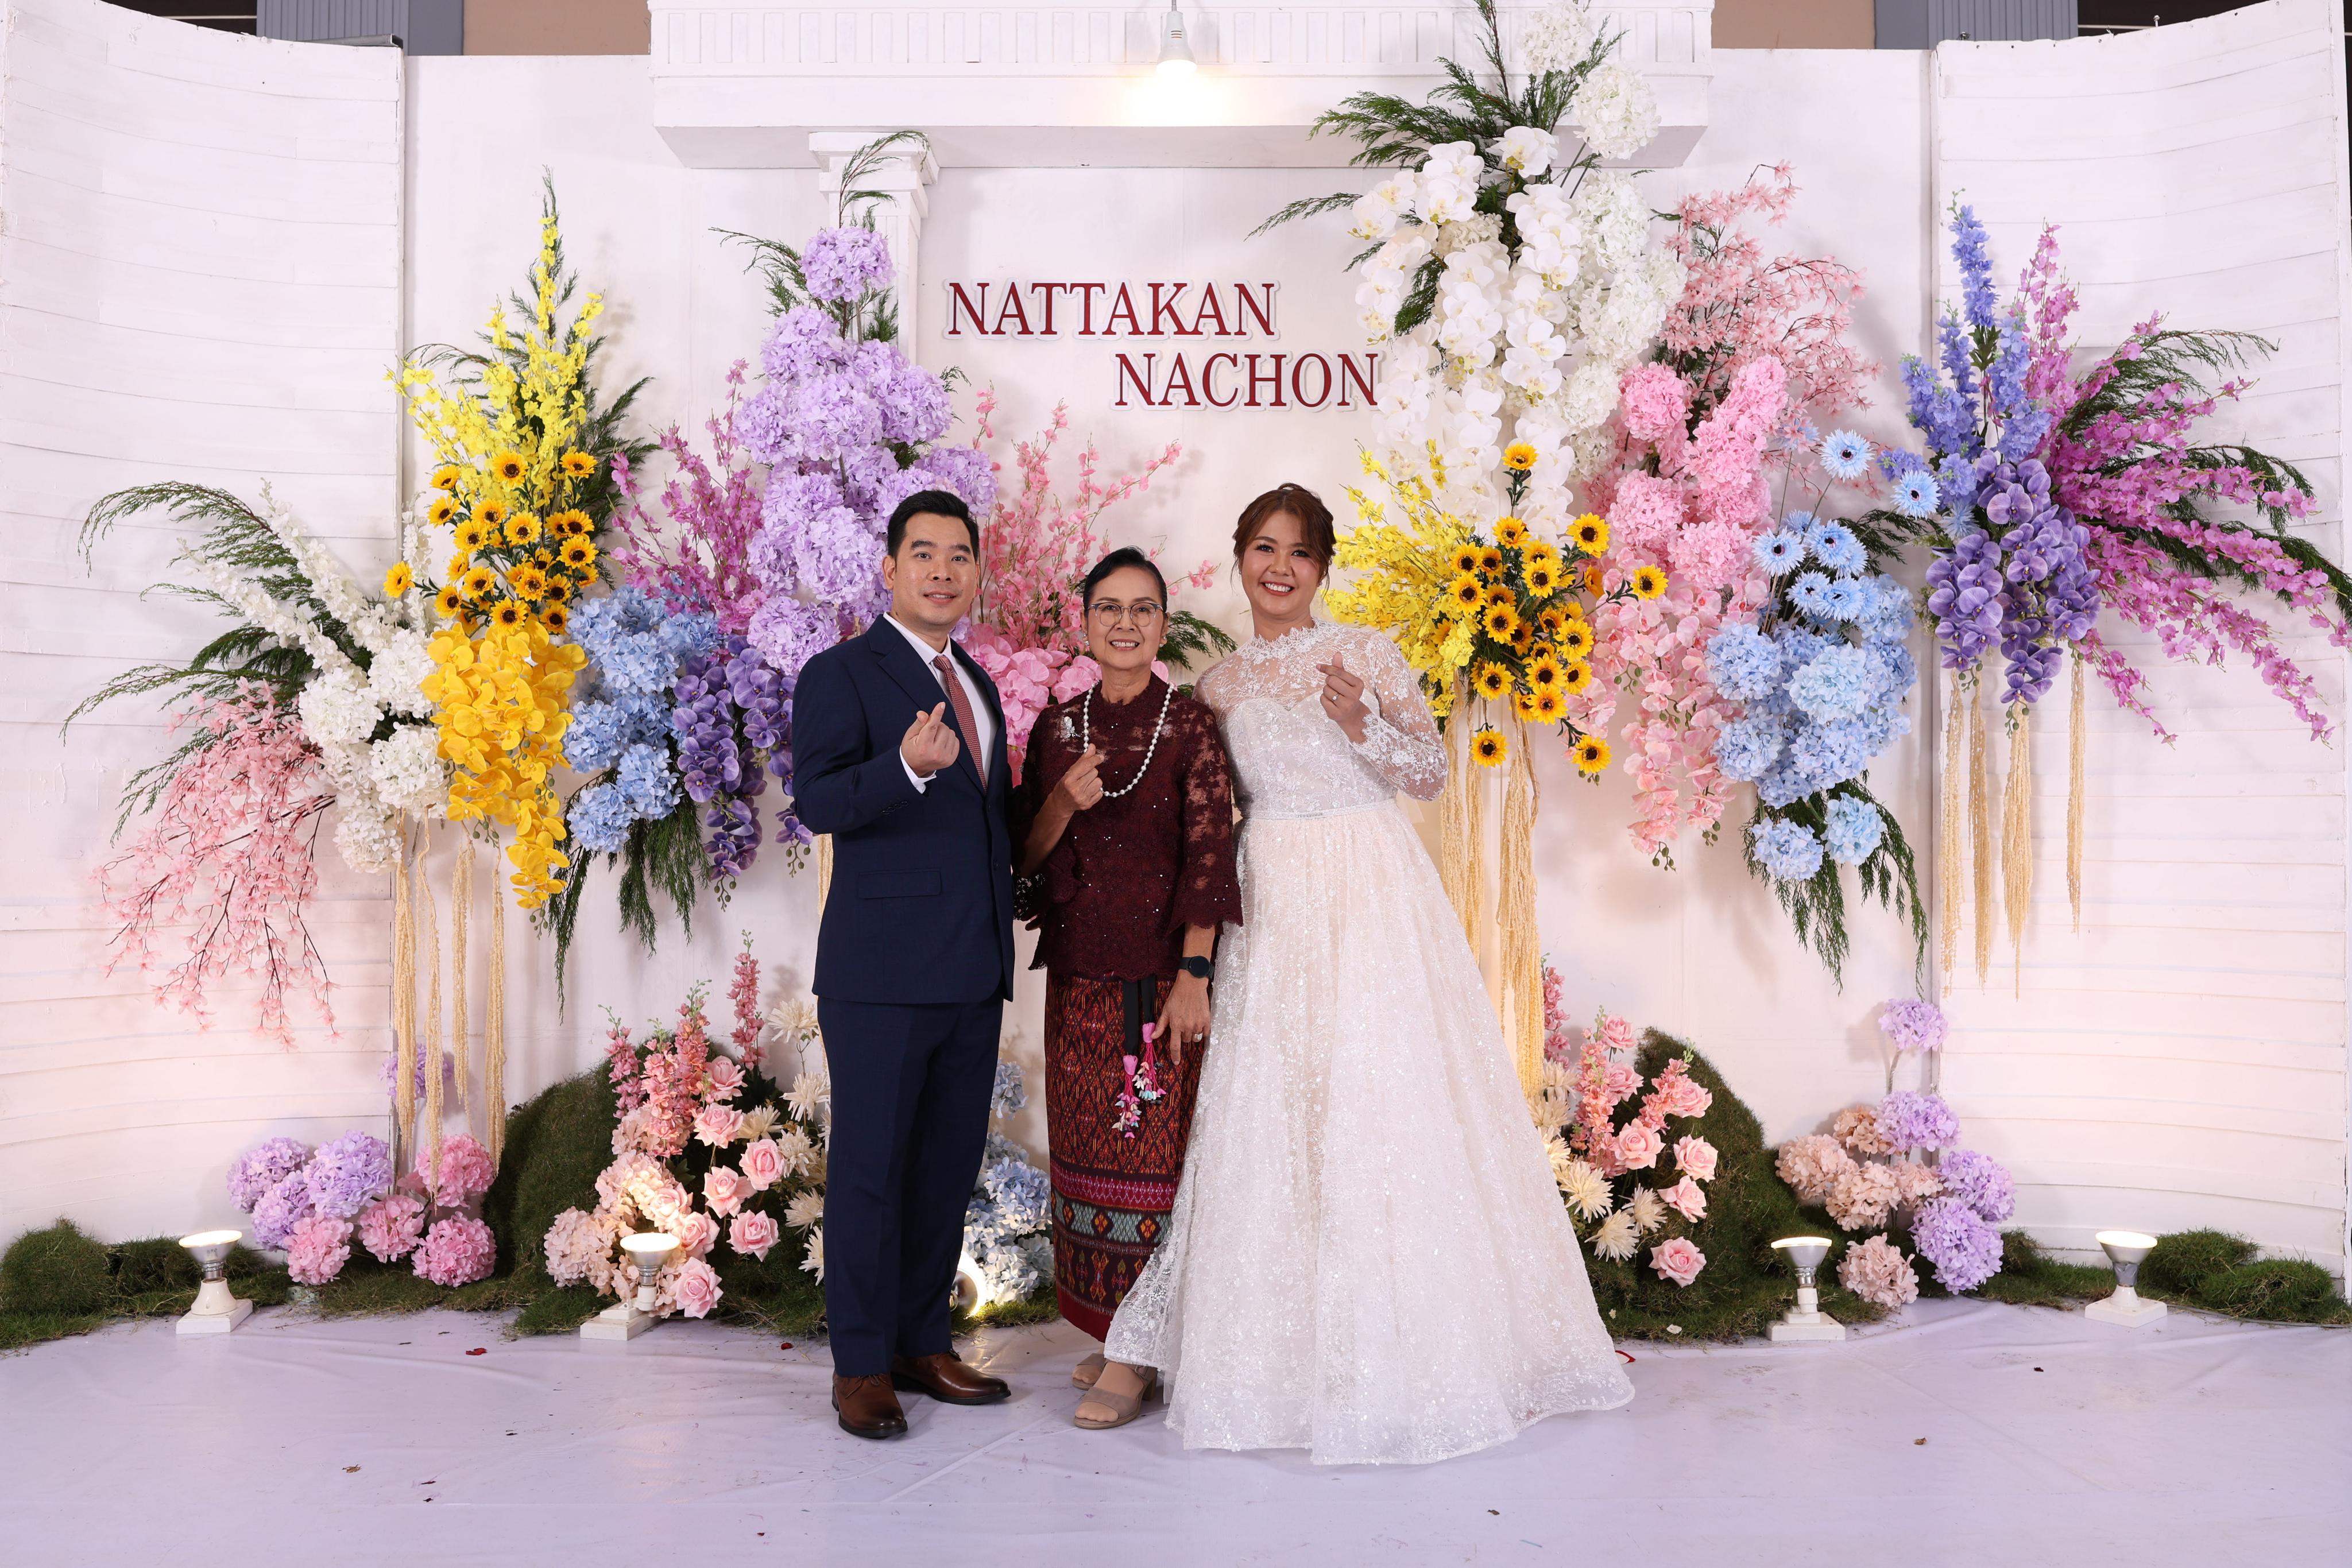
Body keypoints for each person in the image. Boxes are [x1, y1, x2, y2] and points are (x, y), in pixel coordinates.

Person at [1099, 483, 1634, 1464]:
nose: (1280, 569)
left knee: (1384, 1098)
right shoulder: (1219, 686)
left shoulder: (1368, 653)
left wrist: (1360, 725)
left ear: (1322, 568)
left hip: (1372, 887)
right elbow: (1206, 812)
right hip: (1274, 894)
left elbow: (1428, 772)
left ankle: (1402, 1345)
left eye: (1300, 553)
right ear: (1240, 556)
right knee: (1279, 1103)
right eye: (1265, 548)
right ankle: (1278, 1357)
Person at [791, 489, 1018, 1441]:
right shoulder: (841, 672)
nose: (942, 571)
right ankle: (860, 1365)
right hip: (880, 975)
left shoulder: (980, 683)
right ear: (889, 568)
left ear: (977, 572)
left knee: (943, 1171)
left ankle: (924, 1343)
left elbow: (985, 823)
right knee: (871, 1173)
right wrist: (906, 769)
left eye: (959, 555)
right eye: (923, 553)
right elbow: (816, 800)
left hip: (973, 967)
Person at [1008, 548, 1243, 1430]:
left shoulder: (1190, 728)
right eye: (1109, 607)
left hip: (1157, 980)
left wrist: (1195, 973)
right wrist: (1061, 805)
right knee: (1085, 1157)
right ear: (1085, 622)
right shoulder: (1055, 730)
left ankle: (1140, 1353)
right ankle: (1115, 1331)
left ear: (1163, 625)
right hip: (1077, 978)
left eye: (1144, 609)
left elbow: (1211, 854)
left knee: (1147, 1158)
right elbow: (1025, 863)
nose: (1125, 624)